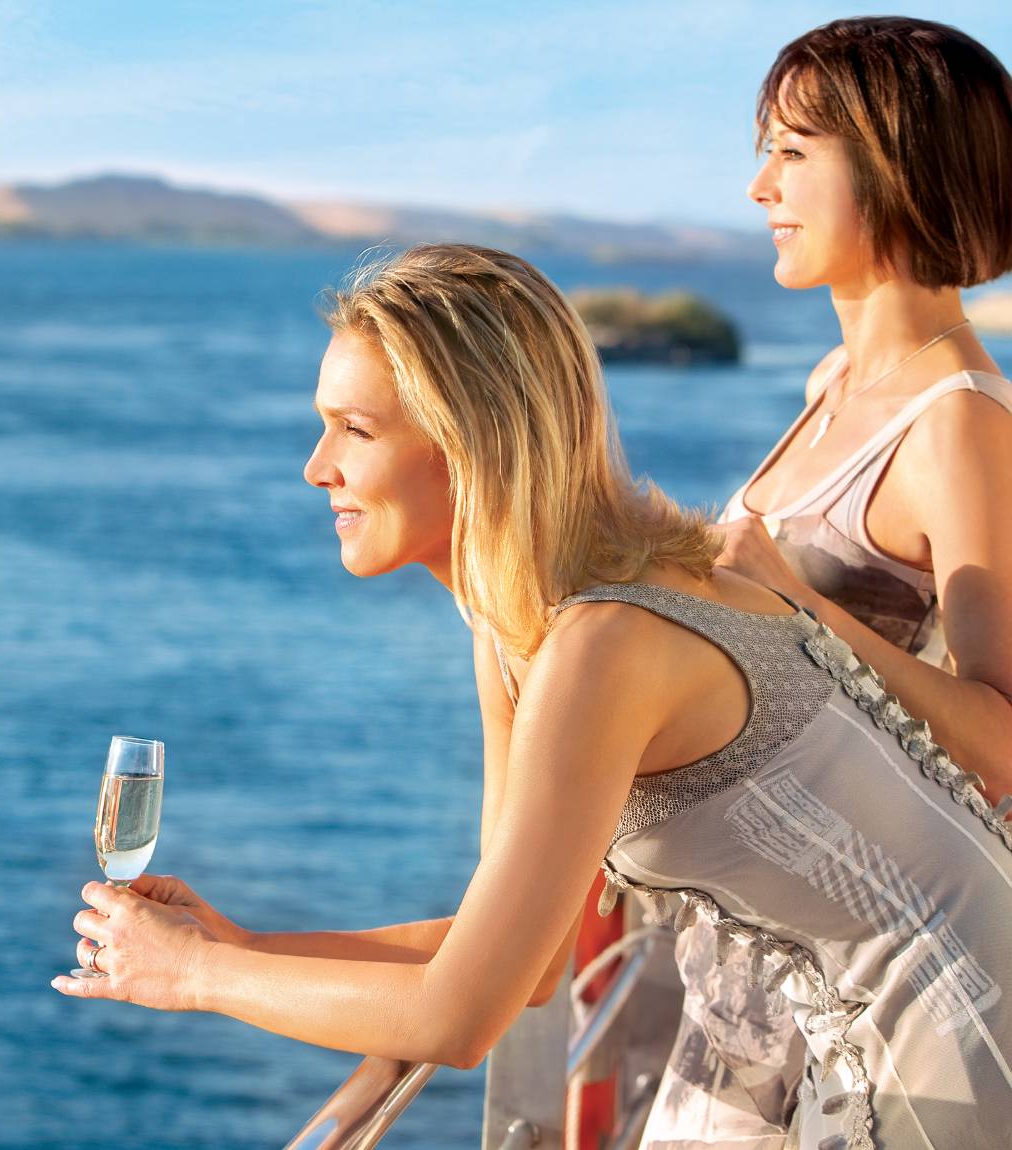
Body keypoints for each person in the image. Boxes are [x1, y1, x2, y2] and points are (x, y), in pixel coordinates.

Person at [50, 244, 1012, 1150]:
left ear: (468, 443)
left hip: (949, 1044)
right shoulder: (529, 628)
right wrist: (249, 941)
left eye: (355, 429)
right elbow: (526, 956)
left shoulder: (606, 643)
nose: (317, 467)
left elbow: (462, 1018)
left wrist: (192, 974)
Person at [651, 19, 1012, 1145]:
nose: (759, 186)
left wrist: (794, 605)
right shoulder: (832, 379)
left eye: (793, 152)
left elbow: (1000, 741)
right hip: (747, 975)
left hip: (852, 1014)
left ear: (893, 163)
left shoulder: (955, 423)